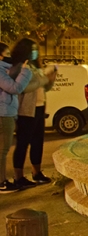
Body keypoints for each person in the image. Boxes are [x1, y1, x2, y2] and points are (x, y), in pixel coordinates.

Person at [14, 44, 57, 187]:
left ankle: (36, 173)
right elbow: (25, 88)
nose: (35, 51)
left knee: (38, 142)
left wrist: (50, 80)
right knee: (23, 143)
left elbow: (43, 88)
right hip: (26, 110)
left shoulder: (36, 67)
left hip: (39, 108)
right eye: (32, 49)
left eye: (36, 49)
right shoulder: (21, 68)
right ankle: (18, 176)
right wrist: (43, 79)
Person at [0, 41, 34, 194]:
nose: (9, 57)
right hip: (3, 114)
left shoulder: (5, 70)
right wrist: (26, 71)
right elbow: (15, 88)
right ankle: (1, 182)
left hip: (5, 112)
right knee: (2, 150)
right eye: (7, 54)